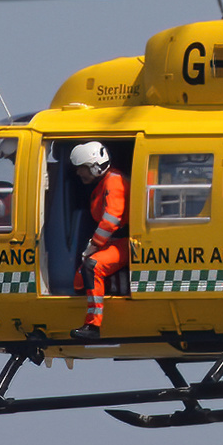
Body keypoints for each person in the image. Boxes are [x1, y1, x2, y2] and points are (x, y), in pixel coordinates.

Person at [68, 141, 127, 342]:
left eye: (81, 169)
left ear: (94, 166)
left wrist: (93, 246)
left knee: (92, 267)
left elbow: (111, 220)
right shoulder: (104, 183)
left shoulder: (113, 181)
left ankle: (93, 325)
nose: (79, 174)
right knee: (78, 281)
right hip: (114, 242)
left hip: (126, 242)